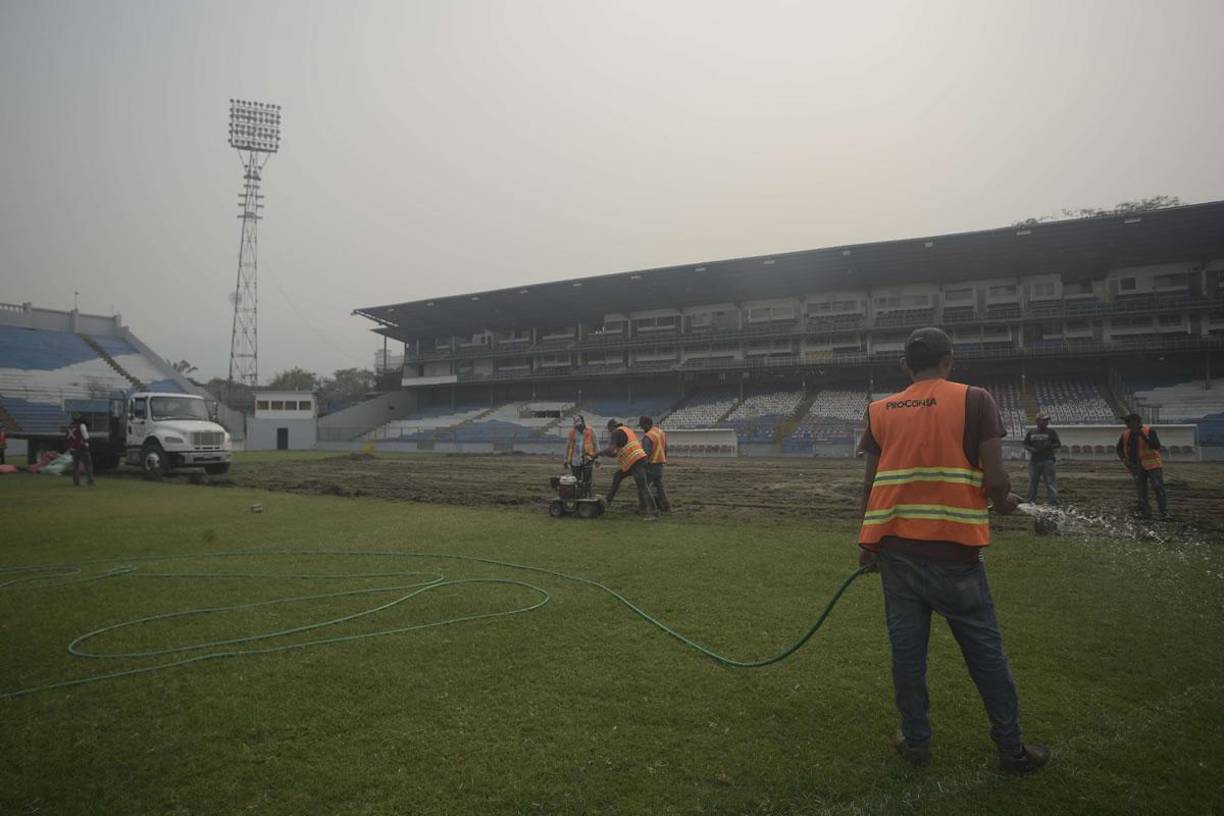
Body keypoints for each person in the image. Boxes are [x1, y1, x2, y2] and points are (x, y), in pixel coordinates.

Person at [857, 327, 1049, 774]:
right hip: (956, 555)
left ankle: (915, 741)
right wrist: (1003, 502)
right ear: (949, 361)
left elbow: (869, 485)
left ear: (904, 366)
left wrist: (867, 543)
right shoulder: (975, 399)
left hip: (897, 552)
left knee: (907, 655)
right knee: (985, 653)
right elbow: (995, 479)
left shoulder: (879, 410)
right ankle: (1011, 747)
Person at [599, 418, 657, 517]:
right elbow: (615, 453)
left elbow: (610, 450)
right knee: (618, 476)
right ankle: (608, 501)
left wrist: (597, 454)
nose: (610, 432)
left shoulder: (616, 433)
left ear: (612, 427)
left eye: (609, 430)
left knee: (643, 487)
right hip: (636, 460)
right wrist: (602, 454)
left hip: (636, 461)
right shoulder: (627, 430)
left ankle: (654, 512)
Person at [1116, 413, 1168, 519]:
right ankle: (1145, 512)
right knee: (1141, 490)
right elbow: (1119, 448)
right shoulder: (1126, 434)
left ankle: (1163, 512)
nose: (1126, 424)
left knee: (1158, 487)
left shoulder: (1149, 431)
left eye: (1128, 421)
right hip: (1137, 466)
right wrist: (1125, 461)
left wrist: (1143, 436)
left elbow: (1156, 445)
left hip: (1153, 465)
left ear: (1136, 422)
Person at [1022, 415, 1060, 505]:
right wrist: (1031, 449)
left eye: (1047, 420)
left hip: (1048, 460)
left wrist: (1049, 446)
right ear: (1038, 421)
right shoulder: (1031, 432)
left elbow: (1058, 444)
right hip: (1034, 461)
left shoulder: (1051, 432)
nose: (1046, 422)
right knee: (1033, 482)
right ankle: (1031, 501)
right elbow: (1025, 444)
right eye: (1044, 420)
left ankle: (1053, 501)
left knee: (1050, 482)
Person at [639, 415, 670, 512]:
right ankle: (665, 505)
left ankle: (645, 507)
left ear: (647, 424)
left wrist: (641, 465)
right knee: (659, 486)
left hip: (651, 465)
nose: (642, 428)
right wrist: (663, 459)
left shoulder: (648, 436)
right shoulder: (660, 432)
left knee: (643, 487)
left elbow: (645, 453)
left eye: (642, 425)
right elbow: (665, 448)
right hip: (660, 464)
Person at [564, 414, 597, 498]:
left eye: (579, 426)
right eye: (576, 426)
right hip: (575, 460)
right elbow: (568, 446)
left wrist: (598, 458)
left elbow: (596, 445)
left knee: (587, 481)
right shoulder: (572, 433)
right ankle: (578, 496)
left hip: (588, 459)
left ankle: (587, 496)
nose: (578, 427)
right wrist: (566, 460)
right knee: (576, 480)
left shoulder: (591, 431)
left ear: (583, 423)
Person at [65, 413, 95, 487]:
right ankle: (90, 480)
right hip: (82, 447)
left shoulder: (70, 426)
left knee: (75, 466)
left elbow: (68, 437)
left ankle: (76, 481)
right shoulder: (82, 425)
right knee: (88, 465)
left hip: (73, 448)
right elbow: (86, 437)